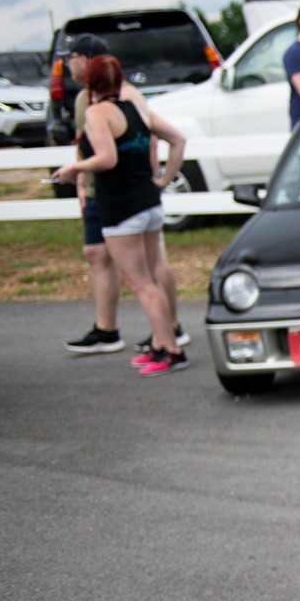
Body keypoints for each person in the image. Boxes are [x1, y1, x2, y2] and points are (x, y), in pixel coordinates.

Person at [51, 55, 189, 376]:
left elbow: (107, 158)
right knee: (152, 275)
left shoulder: (98, 113)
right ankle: (162, 342)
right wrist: (165, 180)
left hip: (122, 208)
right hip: (149, 202)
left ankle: (170, 349)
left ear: (90, 83)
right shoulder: (136, 108)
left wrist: (74, 169)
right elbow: (178, 139)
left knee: (141, 283)